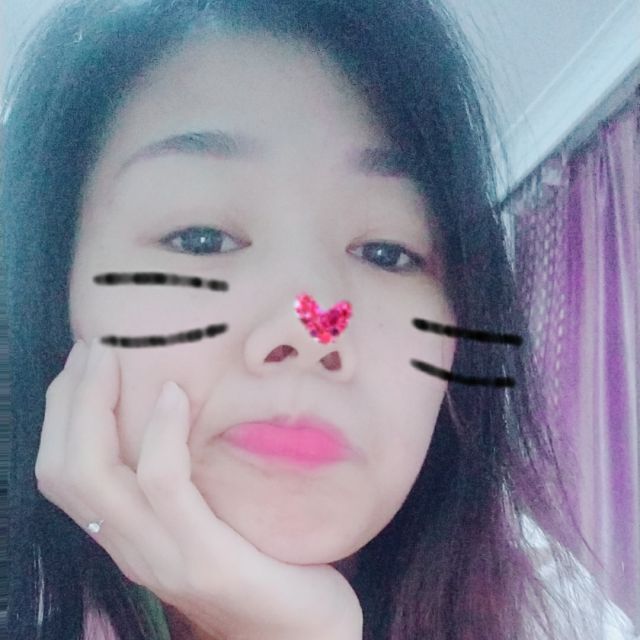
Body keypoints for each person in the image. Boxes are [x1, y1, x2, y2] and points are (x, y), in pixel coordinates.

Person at [2, 1, 637, 639]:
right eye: (201, 239)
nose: (312, 333)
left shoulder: (551, 611)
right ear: (58, 299)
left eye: (387, 252)